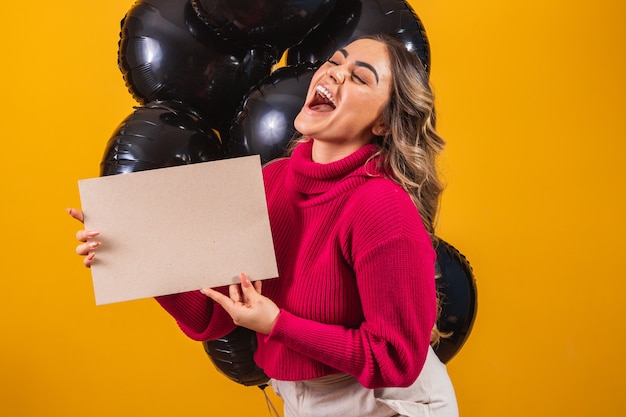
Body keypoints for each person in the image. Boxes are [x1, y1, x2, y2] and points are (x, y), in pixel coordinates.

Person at [69, 34, 458, 417]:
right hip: (300, 399)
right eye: (334, 62)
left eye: (359, 77)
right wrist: (134, 253)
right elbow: (211, 316)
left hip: (387, 405)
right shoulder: (273, 180)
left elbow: (396, 361)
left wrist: (277, 324)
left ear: (385, 124)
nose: (335, 74)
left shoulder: (382, 205)